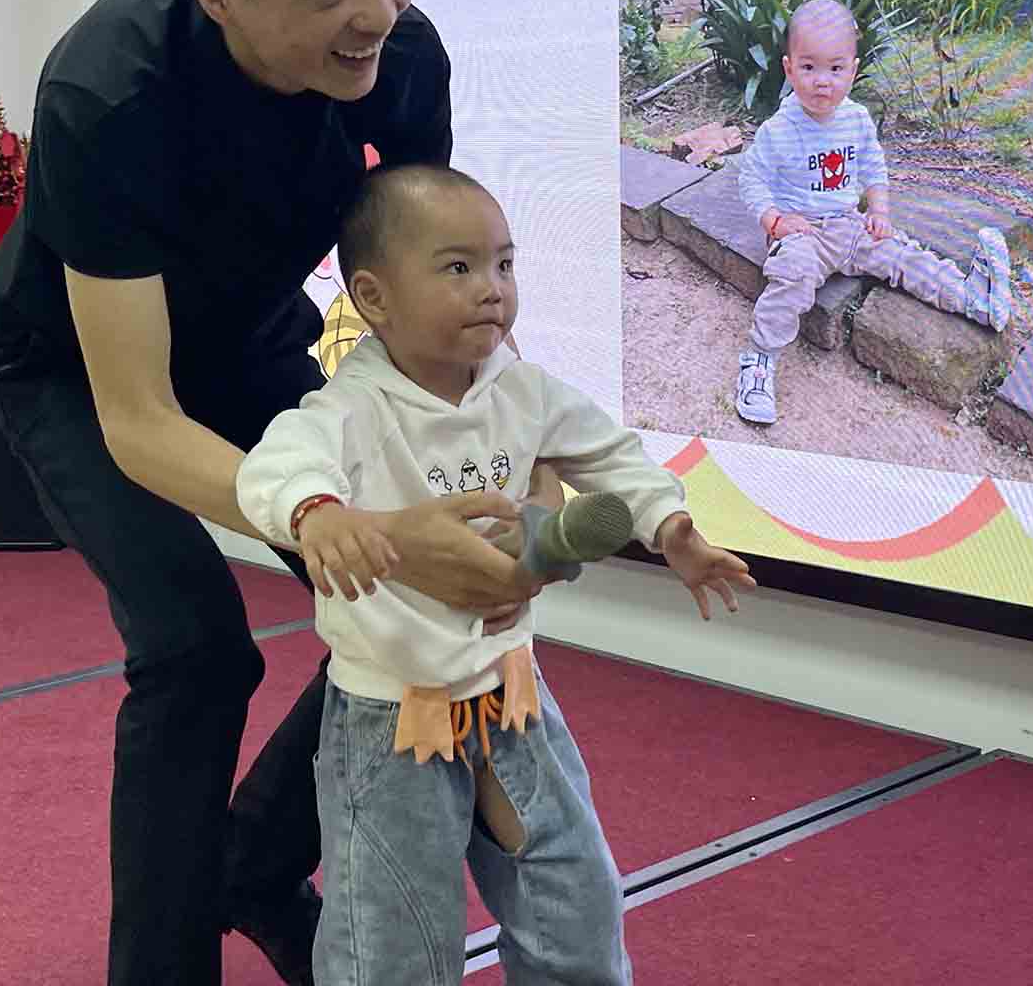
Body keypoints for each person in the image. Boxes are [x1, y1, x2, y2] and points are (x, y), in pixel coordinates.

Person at [0, 0, 542, 985]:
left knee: (411, 610)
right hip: (76, 371)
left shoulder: (404, 59)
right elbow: (139, 417)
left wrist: (495, 461)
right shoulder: (110, 92)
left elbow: (421, 300)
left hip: (250, 340)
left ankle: (253, 866)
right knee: (195, 649)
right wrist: (341, 519)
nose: (376, 11)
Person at [235, 164, 756, 985]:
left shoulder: (522, 390)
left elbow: (610, 454)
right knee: (392, 938)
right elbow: (276, 465)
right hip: (391, 718)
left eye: (504, 264)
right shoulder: (353, 407)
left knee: (575, 902)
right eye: (459, 267)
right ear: (372, 298)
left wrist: (671, 527)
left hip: (513, 698)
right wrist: (317, 513)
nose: (493, 289)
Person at [734, 0, 1015, 426]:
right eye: (808, 68)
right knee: (792, 275)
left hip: (849, 226)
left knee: (900, 253)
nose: (822, 81)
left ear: (853, 70)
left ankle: (972, 298)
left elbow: (872, 166)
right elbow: (751, 178)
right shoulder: (779, 130)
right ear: (789, 69)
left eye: (835, 68)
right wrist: (774, 219)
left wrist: (879, 210)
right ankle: (759, 360)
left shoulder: (856, 119)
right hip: (803, 232)